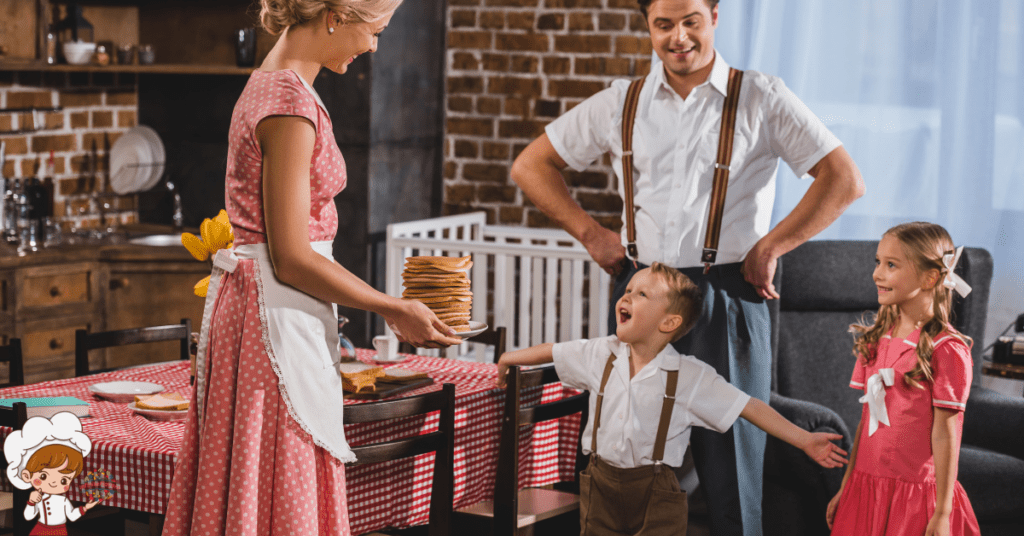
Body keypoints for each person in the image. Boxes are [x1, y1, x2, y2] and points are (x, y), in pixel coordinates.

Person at [509, 0, 865, 533]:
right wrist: (590, 232)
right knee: (622, 444)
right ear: (648, 26)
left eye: (691, 21)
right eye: (664, 24)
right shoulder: (621, 102)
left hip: (727, 292)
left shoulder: (760, 96)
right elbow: (530, 165)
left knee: (733, 460)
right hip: (642, 288)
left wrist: (770, 248)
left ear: (715, 17)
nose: (679, 37)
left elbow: (843, 179)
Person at [162, 1, 463, 534]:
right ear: (334, 17)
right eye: (374, 31)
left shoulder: (274, 85)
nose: (373, 46)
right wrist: (391, 307)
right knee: (283, 477)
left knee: (256, 483)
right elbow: (293, 257)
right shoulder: (288, 105)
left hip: (265, 309)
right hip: (270, 318)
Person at [497, 263, 848, 536]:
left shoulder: (689, 376)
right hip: (599, 485)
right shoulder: (599, 353)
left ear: (669, 322)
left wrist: (805, 440)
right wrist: (509, 358)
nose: (627, 297)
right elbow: (553, 351)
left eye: (642, 295)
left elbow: (748, 406)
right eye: (629, 290)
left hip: (656, 493)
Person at [826, 222, 980, 536]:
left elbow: (946, 434)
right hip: (864, 487)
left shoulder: (947, 349)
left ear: (930, 277)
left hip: (916, 500)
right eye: (878, 262)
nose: (877, 274)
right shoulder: (875, 339)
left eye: (891, 265)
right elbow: (866, 419)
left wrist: (942, 512)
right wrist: (847, 484)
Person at [21, 445, 101, 535]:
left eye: (64, 480)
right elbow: (28, 516)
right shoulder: (39, 498)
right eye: (43, 476)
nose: (54, 482)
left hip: (59, 531)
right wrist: (31, 502)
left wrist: (85, 508)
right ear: (27, 476)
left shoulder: (63, 500)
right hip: (41, 529)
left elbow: (72, 516)